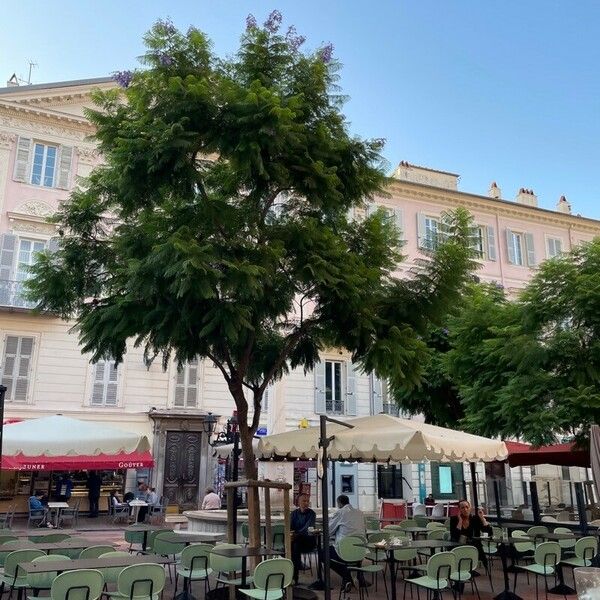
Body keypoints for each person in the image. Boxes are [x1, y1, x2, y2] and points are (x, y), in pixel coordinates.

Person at [327, 494, 366, 591]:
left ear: (339, 503)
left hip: (344, 551)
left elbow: (328, 531)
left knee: (323, 553)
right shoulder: (360, 513)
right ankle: (357, 576)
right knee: (350, 553)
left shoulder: (340, 513)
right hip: (360, 550)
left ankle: (347, 577)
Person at [449, 498, 493, 566]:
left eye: (467, 507)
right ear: (459, 510)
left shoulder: (475, 519)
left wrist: (482, 519)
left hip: (474, 546)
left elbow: (489, 533)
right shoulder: (454, 519)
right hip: (458, 545)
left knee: (476, 549)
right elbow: (454, 536)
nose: (465, 509)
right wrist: (460, 521)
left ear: (470, 508)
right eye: (462, 508)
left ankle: (470, 567)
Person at [290, 493, 317, 584]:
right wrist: (292, 534)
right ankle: (296, 569)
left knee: (294, 546)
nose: (306, 503)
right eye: (304, 501)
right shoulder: (294, 514)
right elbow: (290, 527)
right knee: (292, 547)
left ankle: (294, 577)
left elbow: (307, 528)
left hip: (308, 541)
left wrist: (296, 534)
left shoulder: (312, 513)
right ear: (298, 502)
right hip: (296, 542)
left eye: (307, 501)